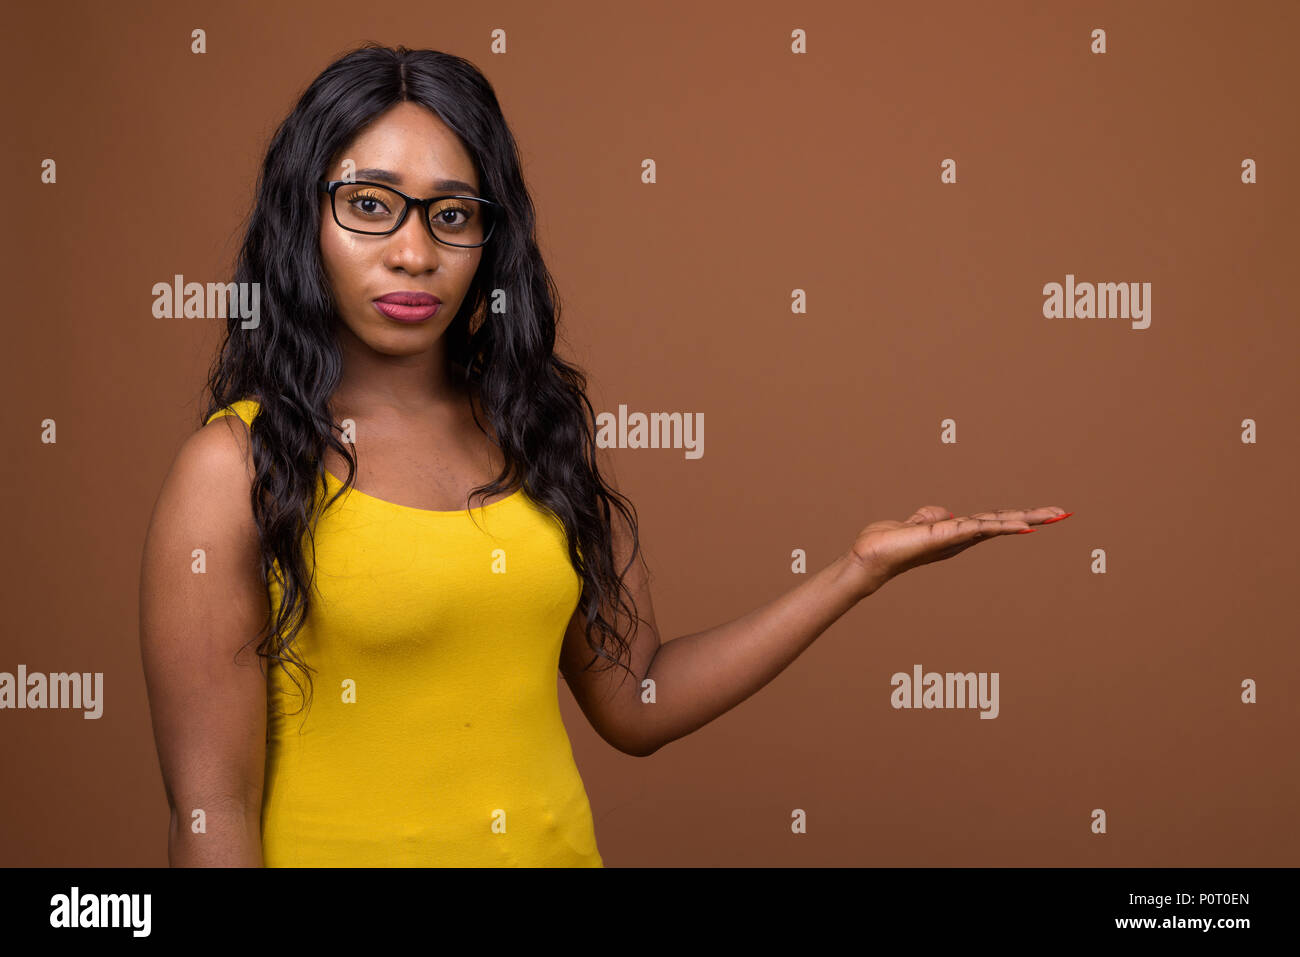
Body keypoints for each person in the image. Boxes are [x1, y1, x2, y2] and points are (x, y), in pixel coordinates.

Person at [138, 44, 1071, 868]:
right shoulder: (233, 469)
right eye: (370, 205)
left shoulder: (537, 433)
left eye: (452, 215)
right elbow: (210, 809)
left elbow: (638, 700)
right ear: (304, 221)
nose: (414, 252)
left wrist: (854, 572)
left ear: (489, 240)